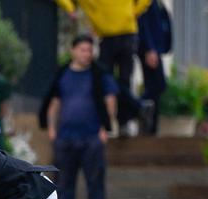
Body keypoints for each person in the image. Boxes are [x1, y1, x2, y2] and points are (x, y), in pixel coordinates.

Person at [39, 35, 117, 199]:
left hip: (92, 138)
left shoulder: (99, 74)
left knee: (95, 184)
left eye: (89, 50)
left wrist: (105, 129)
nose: (87, 54)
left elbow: (110, 101)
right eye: (83, 50)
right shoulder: (62, 74)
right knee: (63, 184)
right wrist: (52, 130)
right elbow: (54, 103)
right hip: (65, 139)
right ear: (73, 50)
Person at [55, 0, 144, 135]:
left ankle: (123, 122)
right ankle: (137, 108)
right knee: (105, 80)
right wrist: (70, 8)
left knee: (124, 80)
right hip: (106, 36)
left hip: (127, 33)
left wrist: (136, 11)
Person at [136, 0, 172, 135]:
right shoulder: (145, 2)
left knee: (156, 87)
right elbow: (143, 23)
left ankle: (151, 127)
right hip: (150, 50)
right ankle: (139, 109)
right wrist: (149, 49)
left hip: (156, 49)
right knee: (156, 85)